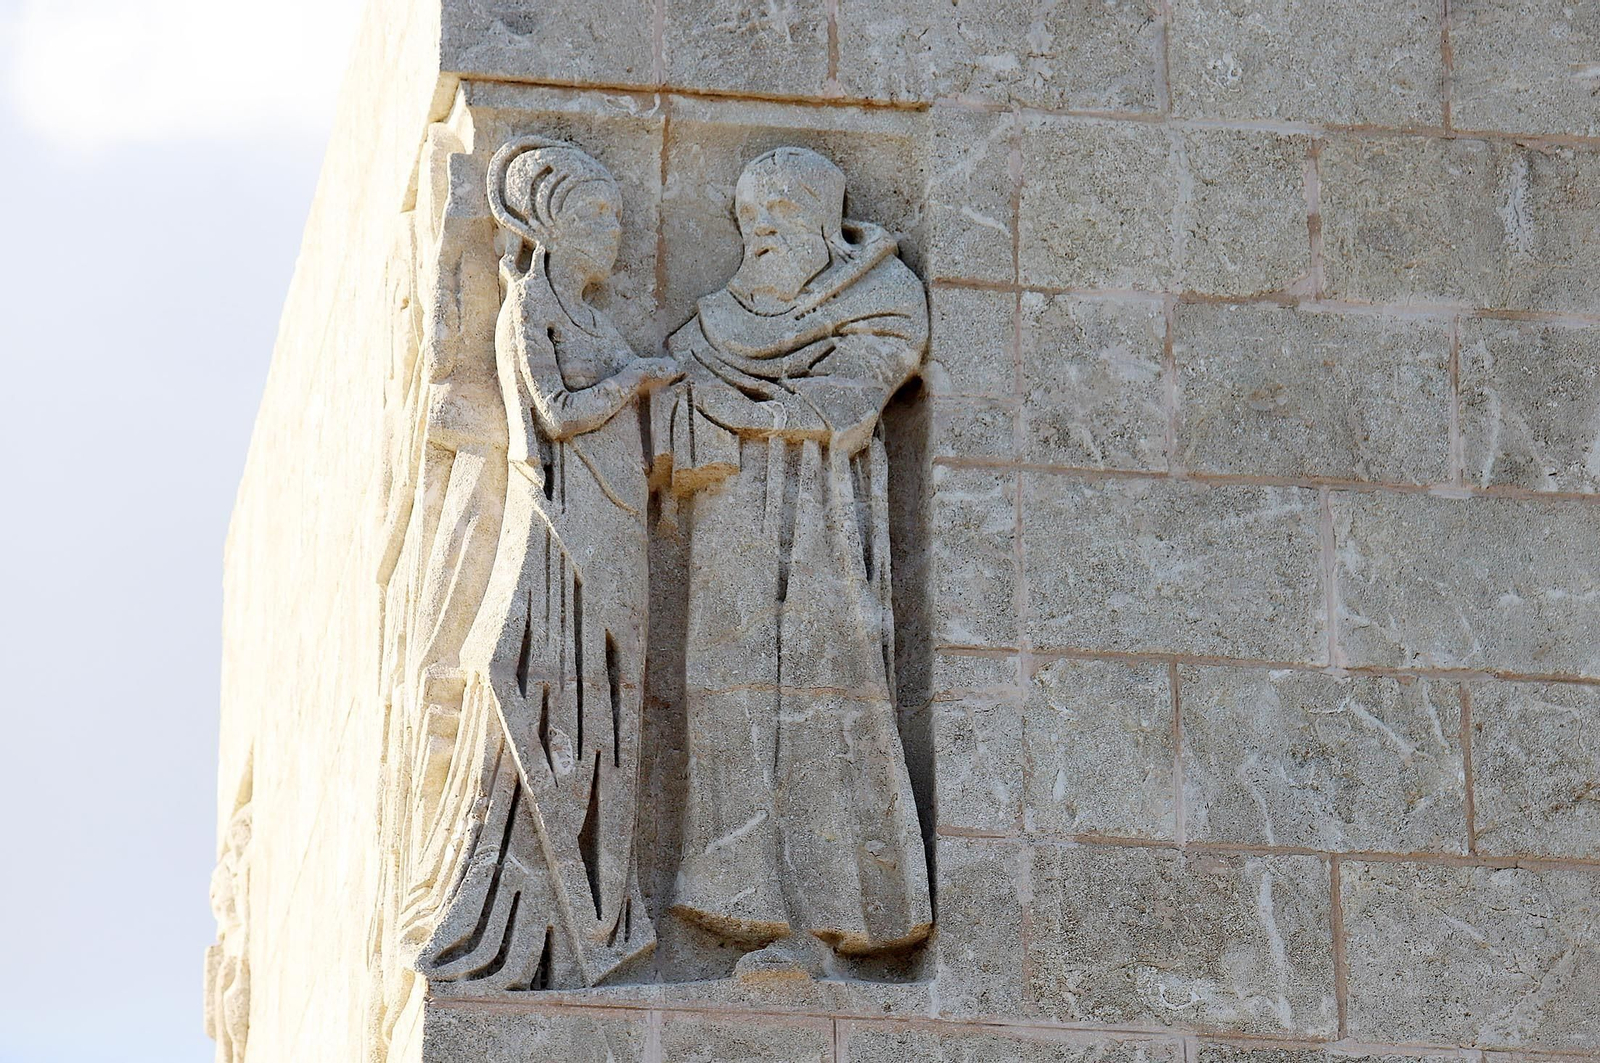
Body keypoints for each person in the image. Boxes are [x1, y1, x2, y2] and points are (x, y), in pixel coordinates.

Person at [656, 147, 931, 978]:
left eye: (780, 214)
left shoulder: (883, 297)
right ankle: (743, 902)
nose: (762, 233)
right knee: (727, 695)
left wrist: (747, 412)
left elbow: (849, 398)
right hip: (731, 527)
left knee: (830, 695)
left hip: (826, 524)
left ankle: (841, 915)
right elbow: (674, 393)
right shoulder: (710, 323)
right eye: (750, 219)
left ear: (821, 215)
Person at [418, 138, 679, 990]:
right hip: (562, 530)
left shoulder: (595, 318)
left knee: (610, 709)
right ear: (555, 226)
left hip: (615, 530)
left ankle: (604, 913)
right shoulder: (527, 310)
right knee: (551, 698)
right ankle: (555, 924)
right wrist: (638, 379)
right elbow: (558, 413)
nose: (616, 233)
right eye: (600, 216)